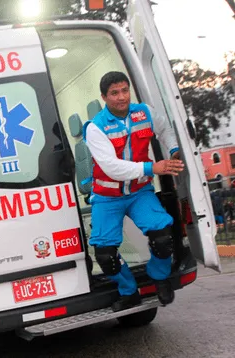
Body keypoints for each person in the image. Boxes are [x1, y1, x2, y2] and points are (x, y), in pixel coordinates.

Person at [82, 71, 185, 312]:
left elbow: (165, 130)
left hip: (139, 192)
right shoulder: (95, 128)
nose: (121, 97)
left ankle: (159, 278)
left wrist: (173, 150)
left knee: (163, 237)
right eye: (114, 93)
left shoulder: (144, 112)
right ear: (104, 97)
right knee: (105, 255)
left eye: (124, 90)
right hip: (107, 198)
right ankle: (129, 292)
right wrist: (153, 166)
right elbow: (112, 167)